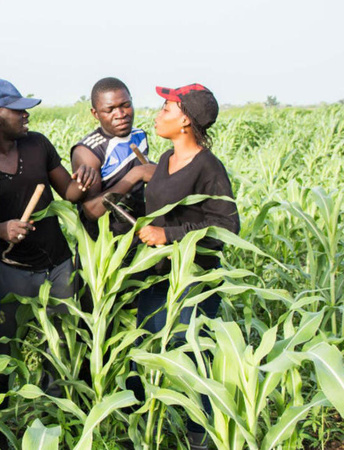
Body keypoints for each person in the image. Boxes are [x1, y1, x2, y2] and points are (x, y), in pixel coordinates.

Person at [136, 84, 240, 450]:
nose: (157, 115)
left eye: (166, 109)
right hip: (157, 279)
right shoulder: (165, 159)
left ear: (185, 121)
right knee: (147, 350)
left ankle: (201, 439)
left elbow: (227, 227)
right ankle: (150, 427)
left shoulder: (208, 167)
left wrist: (170, 235)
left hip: (193, 282)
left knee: (195, 358)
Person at [0, 78, 98, 361]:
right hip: (14, 273)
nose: (26, 114)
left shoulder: (37, 144)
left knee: (65, 348)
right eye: (17, 110)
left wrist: (87, 176)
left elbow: (70, 193)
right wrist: (2, 230)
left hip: (60, 267)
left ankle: (58, 401)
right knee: (4, 349)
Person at [71, 77, 156, 239]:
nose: (120, 114)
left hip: (140, 234)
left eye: (125, 105)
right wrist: (136, 174)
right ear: (95, 113)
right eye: (110, 110)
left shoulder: (139, 136)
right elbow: (91, 210)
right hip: (107, 244)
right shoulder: (88, 151)